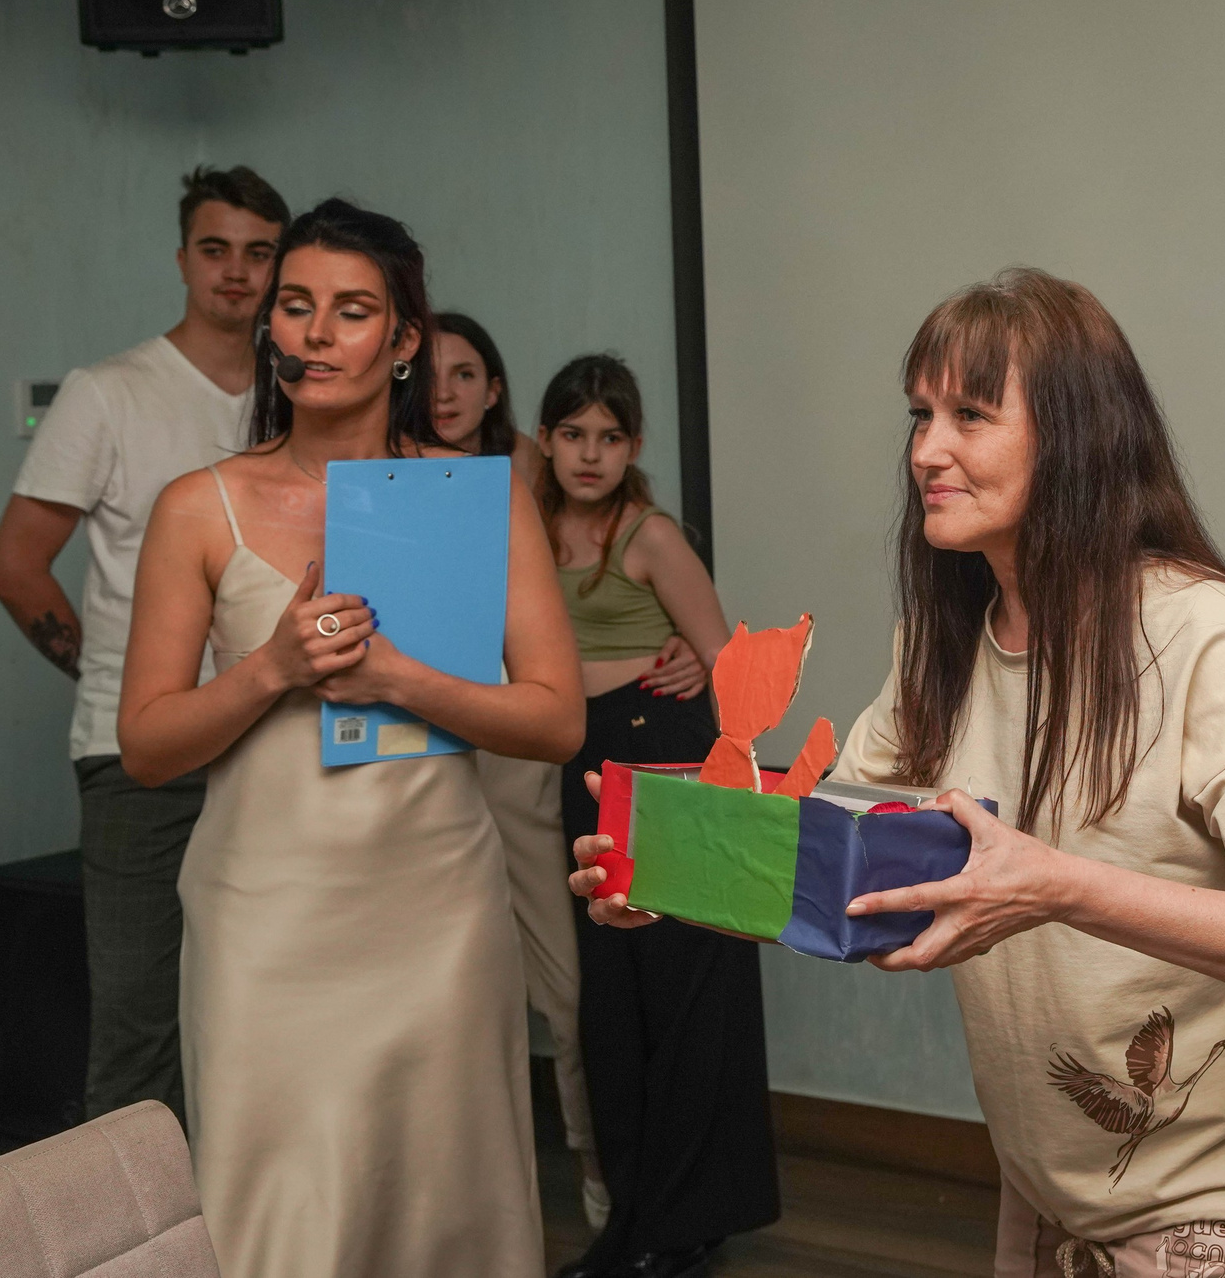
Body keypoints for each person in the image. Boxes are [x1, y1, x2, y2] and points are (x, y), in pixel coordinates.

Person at [577, 269, 1225, 1278]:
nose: (926, 450)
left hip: (1213, 1193)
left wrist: (1058, 885)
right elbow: (813, 851)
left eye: (969, 413)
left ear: (1074, 434)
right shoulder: (943, 645)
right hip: (1044, 1185)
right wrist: (658, 877)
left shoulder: (1204, 632)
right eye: (921, 414)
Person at [118, 199, 584, 1278]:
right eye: (296, 306)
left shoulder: (478, 500)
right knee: (276, 1217)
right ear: (271, 327)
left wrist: (394, 675)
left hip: (434, 907)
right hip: (263, 917)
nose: (316, 334)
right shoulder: (199, 507)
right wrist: (274, 668)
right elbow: (145, 745)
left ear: (405, 340)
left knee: (441, 1209)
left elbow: (555, 718)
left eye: (353, 310)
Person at [0, 164, 287, 1124]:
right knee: (140, 1027)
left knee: (256, 1015)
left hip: (269, 739)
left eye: (258, 252)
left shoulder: (295, 396)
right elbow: (16, 566)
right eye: (215, 250)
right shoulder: (109, 392)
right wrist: (112, 675)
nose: (236, 273)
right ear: (183, 259)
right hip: (138, 757)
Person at [537, 353, 771, 1278]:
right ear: (547, 440)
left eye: (609, 437)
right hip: (582, 761)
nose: (589, 454)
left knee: (680, 995)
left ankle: (685, 1225)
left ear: (633, 447)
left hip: (663, 758)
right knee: (613, 1008)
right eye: (571, 434)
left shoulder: (650, 535)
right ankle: (636, 1220)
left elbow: (733, 665)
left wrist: (691, 661)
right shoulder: (532, 525)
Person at [431, 312, 609, 1230]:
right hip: (412, 756)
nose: (446, 390)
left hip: (517, 755)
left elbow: (605, 555)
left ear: (495, 387)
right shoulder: (384, 471)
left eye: (466, 373)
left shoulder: (532, 474)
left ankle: (592, 1171)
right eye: (429, 372)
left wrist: (682, 649)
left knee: (563, 991)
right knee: (453, 994)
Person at [432, 309, 544, 482]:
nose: (444, 394)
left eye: (464, 375)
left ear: (492, 391)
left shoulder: (527, 465)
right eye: (428, 377)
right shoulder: (384, 461)